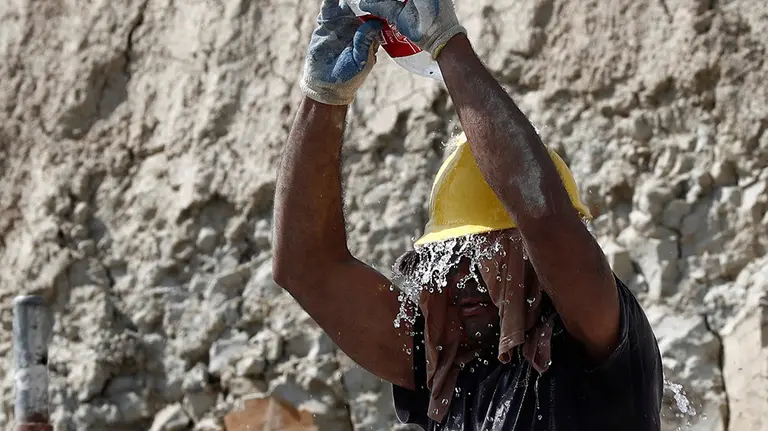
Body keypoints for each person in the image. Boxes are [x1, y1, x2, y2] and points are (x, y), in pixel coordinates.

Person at [272, 0, 664, 430]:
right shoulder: (448, 366)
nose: (459, 277)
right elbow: (305, 266)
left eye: (477, 252)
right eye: (446, 261)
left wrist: (447, 45)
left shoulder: (598, 339)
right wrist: (324, 97)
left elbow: (544, 219)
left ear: (531, 256)